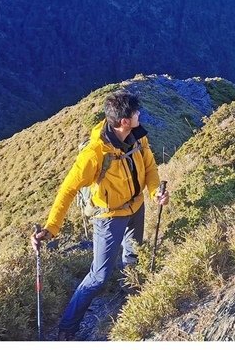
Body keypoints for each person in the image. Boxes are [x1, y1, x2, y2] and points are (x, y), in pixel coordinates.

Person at [31, 90, 169, 341]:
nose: (139, 115)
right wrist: (51, 227)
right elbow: (68, 188)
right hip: (109, 217)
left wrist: (154, 193)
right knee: (99, 276)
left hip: (136, 207)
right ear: (124, 121)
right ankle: (67, 328)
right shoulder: (95, 153)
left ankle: (134, 303)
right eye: (135, 113)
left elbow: (149, 167)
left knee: (133, 256)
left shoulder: (138, 136)